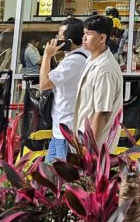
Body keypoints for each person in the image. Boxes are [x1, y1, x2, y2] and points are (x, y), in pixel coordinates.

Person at [40, 20, 89, 160]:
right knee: (49, 173)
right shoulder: (84, 55)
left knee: (61, 177)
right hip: (62, 128)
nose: (56, 39)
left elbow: (44, 83)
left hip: (66, 129)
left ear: (69, 40)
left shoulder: (73, 62)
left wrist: (47, 56)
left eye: (60, 35)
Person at [73, 15, 124, 150]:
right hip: (82, 137)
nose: (83, 38)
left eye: (89, 34)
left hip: (96, 145)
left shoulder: (105, 69)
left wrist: (90, 146)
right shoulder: (91, 60)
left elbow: (101, 112)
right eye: (84, 34)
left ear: (102, 38)